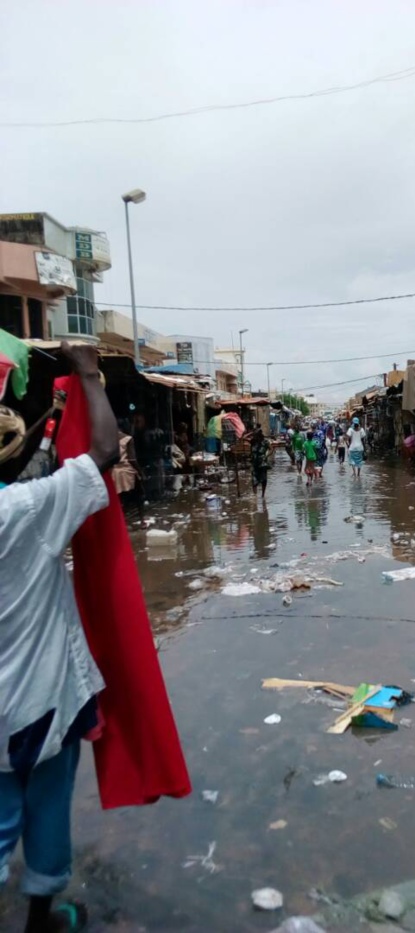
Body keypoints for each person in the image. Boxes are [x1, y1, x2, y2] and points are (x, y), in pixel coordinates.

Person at [0, 341, 119, 933]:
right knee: (46, 815)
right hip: (39, 705)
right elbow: (103, 451)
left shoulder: (25, 502)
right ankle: (41, 919)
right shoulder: (23, 510)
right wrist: (90, 373)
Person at [249, 427, 271, 499]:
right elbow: (242, 438)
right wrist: (251, 433)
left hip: (262, 463)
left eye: (257, 435)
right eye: (255, 435)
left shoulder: (265, 442)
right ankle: (255, 496)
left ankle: (263, 495)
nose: (256, 437)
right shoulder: (253, 441)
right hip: (254, 462)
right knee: (254, 479)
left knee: (263, 479)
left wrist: (266, 455)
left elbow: (271, 449)